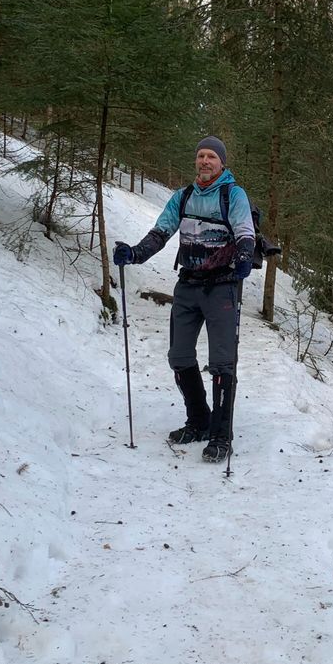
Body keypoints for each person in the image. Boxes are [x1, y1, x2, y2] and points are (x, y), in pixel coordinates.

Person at [113, 137, 254, 462]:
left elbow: (244, 230)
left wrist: (245, 255)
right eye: (201, 156)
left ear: (221, 163)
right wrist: (134, 254)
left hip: (222, 286)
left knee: (222, 362)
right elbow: (161, 232)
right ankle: (199, 420)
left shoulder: (232, 194)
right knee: (179, 356)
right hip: (188, 284)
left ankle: (221, 435)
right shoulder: (183, 196)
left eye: (211, 157)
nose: (205, 162)